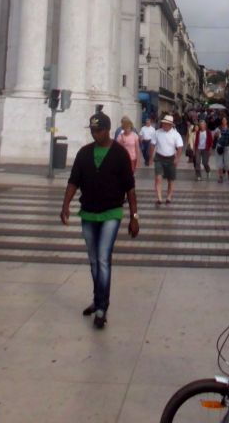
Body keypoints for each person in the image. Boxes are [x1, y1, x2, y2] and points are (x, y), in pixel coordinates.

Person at [60, 111, 139, 330]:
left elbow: (130, 188)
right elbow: (73, 181)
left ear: (107, 130)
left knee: (103, 259)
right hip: (88, 212)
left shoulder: (120, 154)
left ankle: (102, 307)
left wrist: (134, 217)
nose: (95, 134)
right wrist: (65, 205)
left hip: (111, 212)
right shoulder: (84, 153)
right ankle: (97, 299)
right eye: (93, 131)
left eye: (99, 130)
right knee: (94, 260)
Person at [149, 113, 184, 205]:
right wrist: (151, 157)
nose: (164, 125)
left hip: (171, 158)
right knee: (158, 178)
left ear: (170, 125)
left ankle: (169, 197)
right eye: (163, 123)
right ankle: (159, 198)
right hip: (159, 158)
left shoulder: (176, 134)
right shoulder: (157, 132)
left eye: (166, 124)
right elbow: (152, 145)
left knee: (170, 179)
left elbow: (180, 147)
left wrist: (177, 158)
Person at [213, 115, 229, 182]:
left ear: (227, 121)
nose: (224, 121)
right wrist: (216, 135)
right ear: (221, 121)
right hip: (219, 147)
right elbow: (213, 136)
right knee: (219, 163)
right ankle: (220, 177)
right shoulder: (218, 129)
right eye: (223, 120)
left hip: (227, 147)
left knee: (227, 163)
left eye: (225, 120)